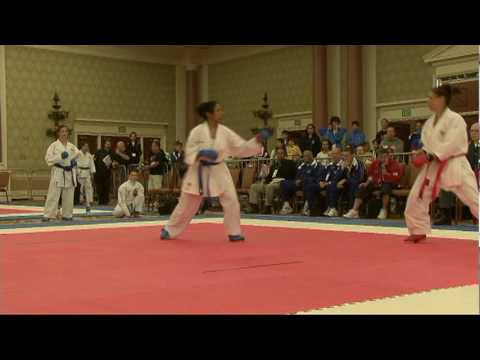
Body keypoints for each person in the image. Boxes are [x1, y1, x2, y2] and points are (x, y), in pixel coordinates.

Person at [160, 101, 272, 242]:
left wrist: (258, 139)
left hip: (219, 169)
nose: (222, 112)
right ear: (209, 114)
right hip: (198, 170)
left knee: (231, 200)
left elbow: (241, 148)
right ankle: (170, 229)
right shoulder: (197, 131)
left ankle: (234, 231)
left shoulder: (225, 132)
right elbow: (189, 152)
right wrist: (201, 153)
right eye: (218, 110)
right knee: (188, 204)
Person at [405, 84, 478, 243]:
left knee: (473, 199)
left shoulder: (455, 119)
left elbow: (453, 143)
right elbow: (428, 145)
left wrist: (431, 155)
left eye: (431, 98)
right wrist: (421, 153)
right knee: (416, 196)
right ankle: (418, 229)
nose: (428, 101)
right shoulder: (430, 122)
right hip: (433, 165)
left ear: (441, 100)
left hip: (454, 163)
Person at [343, 146, 403, 220]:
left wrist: (385, 172)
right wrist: (366, 183)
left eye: (384, 156)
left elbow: (396, 178)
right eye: (380, 156)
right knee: (362, 187)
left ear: (388, 156)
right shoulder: (375, 163)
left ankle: (384, 210)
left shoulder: (395, 164)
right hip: (376, 183)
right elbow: (370, 176)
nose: (383, 159)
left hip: (389, 183)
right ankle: (354, 210)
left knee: (386, 187)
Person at [42, 125, 81, 222]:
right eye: (62, 131)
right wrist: (60, 156)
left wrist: (75, 162)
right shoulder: (54, 146)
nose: (64, 133)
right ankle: (49, 214)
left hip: (69, 172)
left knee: (69, 194)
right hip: (58, 172)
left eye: (66, 131)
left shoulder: (72, 146)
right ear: (58, 133)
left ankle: (67, 214)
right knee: (53, 194)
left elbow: (78, 156)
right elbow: (48, 159)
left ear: (68, 133)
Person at [248, 147, 296, 214]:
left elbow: (291, 175)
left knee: (270, 187)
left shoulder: (290, 163)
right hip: (271, 182)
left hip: (281, 183)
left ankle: (268, 207)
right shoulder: (274, 165)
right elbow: (269, 177)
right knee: (254, 186)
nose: (280, 155)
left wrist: (281, 166)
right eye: (278, 153)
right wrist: (264, 181)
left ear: (285, 154)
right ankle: (254, 207)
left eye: (281, 153)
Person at [279, 150, 320, 216]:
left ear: (311, 156)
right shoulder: (302, 165)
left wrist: (302, 180)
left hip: (309, 185)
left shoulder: (317, 165)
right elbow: (297, 175)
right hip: (299, 184)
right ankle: (287, 206)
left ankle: (307, 207)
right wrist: (297, 180)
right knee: (284, 183)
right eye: (304, 156)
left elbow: (316, 178)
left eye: (306, 156)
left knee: (308, 183)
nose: (304, 158)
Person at [322, 147, 348, 217]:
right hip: (331, 185)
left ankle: (333, 208)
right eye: (333, 154)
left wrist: (329, 183)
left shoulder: (344, 164)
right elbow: (325, 176)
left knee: (332, 185)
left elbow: (343, 177)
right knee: (319, 185)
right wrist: (323, 182)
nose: (334, 155)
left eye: (336, 154)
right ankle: (329, 207)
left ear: (340, 154)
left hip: (342, 185)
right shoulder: (330, 165)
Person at [342, 145, 367, 209]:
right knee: (334, 185)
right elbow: (337, 178)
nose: (345, 158)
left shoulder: (359, 164)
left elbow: (360, 179)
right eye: (343, 156)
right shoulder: (343, 163)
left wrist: (348, 172)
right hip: (348, 184)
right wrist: (341, 169)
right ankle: (332, 207)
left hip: (359, 185)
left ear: (353, 155)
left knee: (353, 185)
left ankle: (352, 209)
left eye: (346, 156)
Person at [77, 142, 96, 215]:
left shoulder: (89, 155)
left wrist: (92, 174)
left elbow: (92, 165)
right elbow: (74, 163)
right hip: (80, 172)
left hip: (87, 172)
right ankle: (80, 200)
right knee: (80, 188)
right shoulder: (78, 153)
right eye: (85, 146)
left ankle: (89, 201)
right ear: (82, 147)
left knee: (89, 187)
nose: (87, 147)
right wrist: (76, 173)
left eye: (87, 146)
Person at [94, 140, 113, 205]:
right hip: (99, 173)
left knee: (107, 187)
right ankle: (100, 201)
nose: (108, 145)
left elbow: (113, 161)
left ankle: (106, 201)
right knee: (100, 188)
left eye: (109, 144)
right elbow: (95, 162)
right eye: (107, 144)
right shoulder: (98, 152)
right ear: (104, 144)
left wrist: (113, 164)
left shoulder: (111, 152)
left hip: (107, 173)